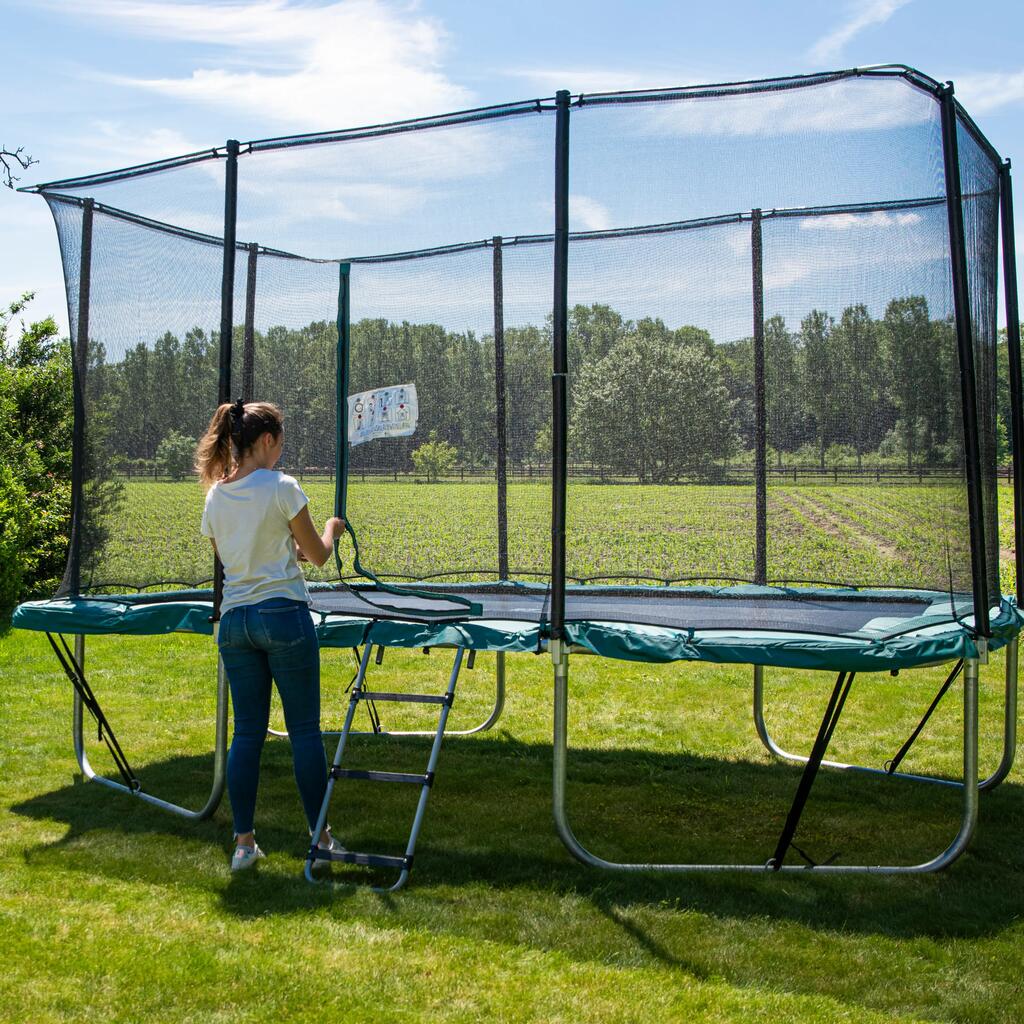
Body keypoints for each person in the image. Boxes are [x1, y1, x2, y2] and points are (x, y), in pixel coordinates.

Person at [195, 398, 345, 871]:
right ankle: (319, 842)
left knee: (247, 734)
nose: (281, 452)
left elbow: (232, 555)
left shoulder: (216, 494)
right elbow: (317, 556)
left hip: (236, 623)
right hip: (283, 616)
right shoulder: (283, 486)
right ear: (266, 441)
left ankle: (243, 845)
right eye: (279, 443)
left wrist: (284, 549)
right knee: (303, 731)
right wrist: (331, 529)